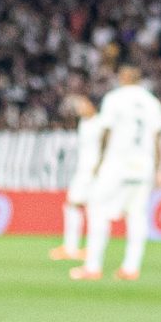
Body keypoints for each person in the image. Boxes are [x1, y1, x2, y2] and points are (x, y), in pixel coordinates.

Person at [72, 66, 161, 283]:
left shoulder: (114, 99)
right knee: (137, 216)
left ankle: (93, 266)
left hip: (117, 164)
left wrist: (99, 161)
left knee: (97, 209)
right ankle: (130, 268)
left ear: (123, 78)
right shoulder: (152, 102)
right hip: (143, 166)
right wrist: (158, 169)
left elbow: (106, 132)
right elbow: (157, 138)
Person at [50, 92, 105, 264]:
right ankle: (73, 248)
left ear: (92, 106)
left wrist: (100, 165)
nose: (79, 108)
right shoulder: (84, 123)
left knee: (81, 206)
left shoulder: (100, 123)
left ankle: (78, 248)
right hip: (83, 170)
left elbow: (106, 145)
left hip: (92, 171)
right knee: (75, 206)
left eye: (83, 105)